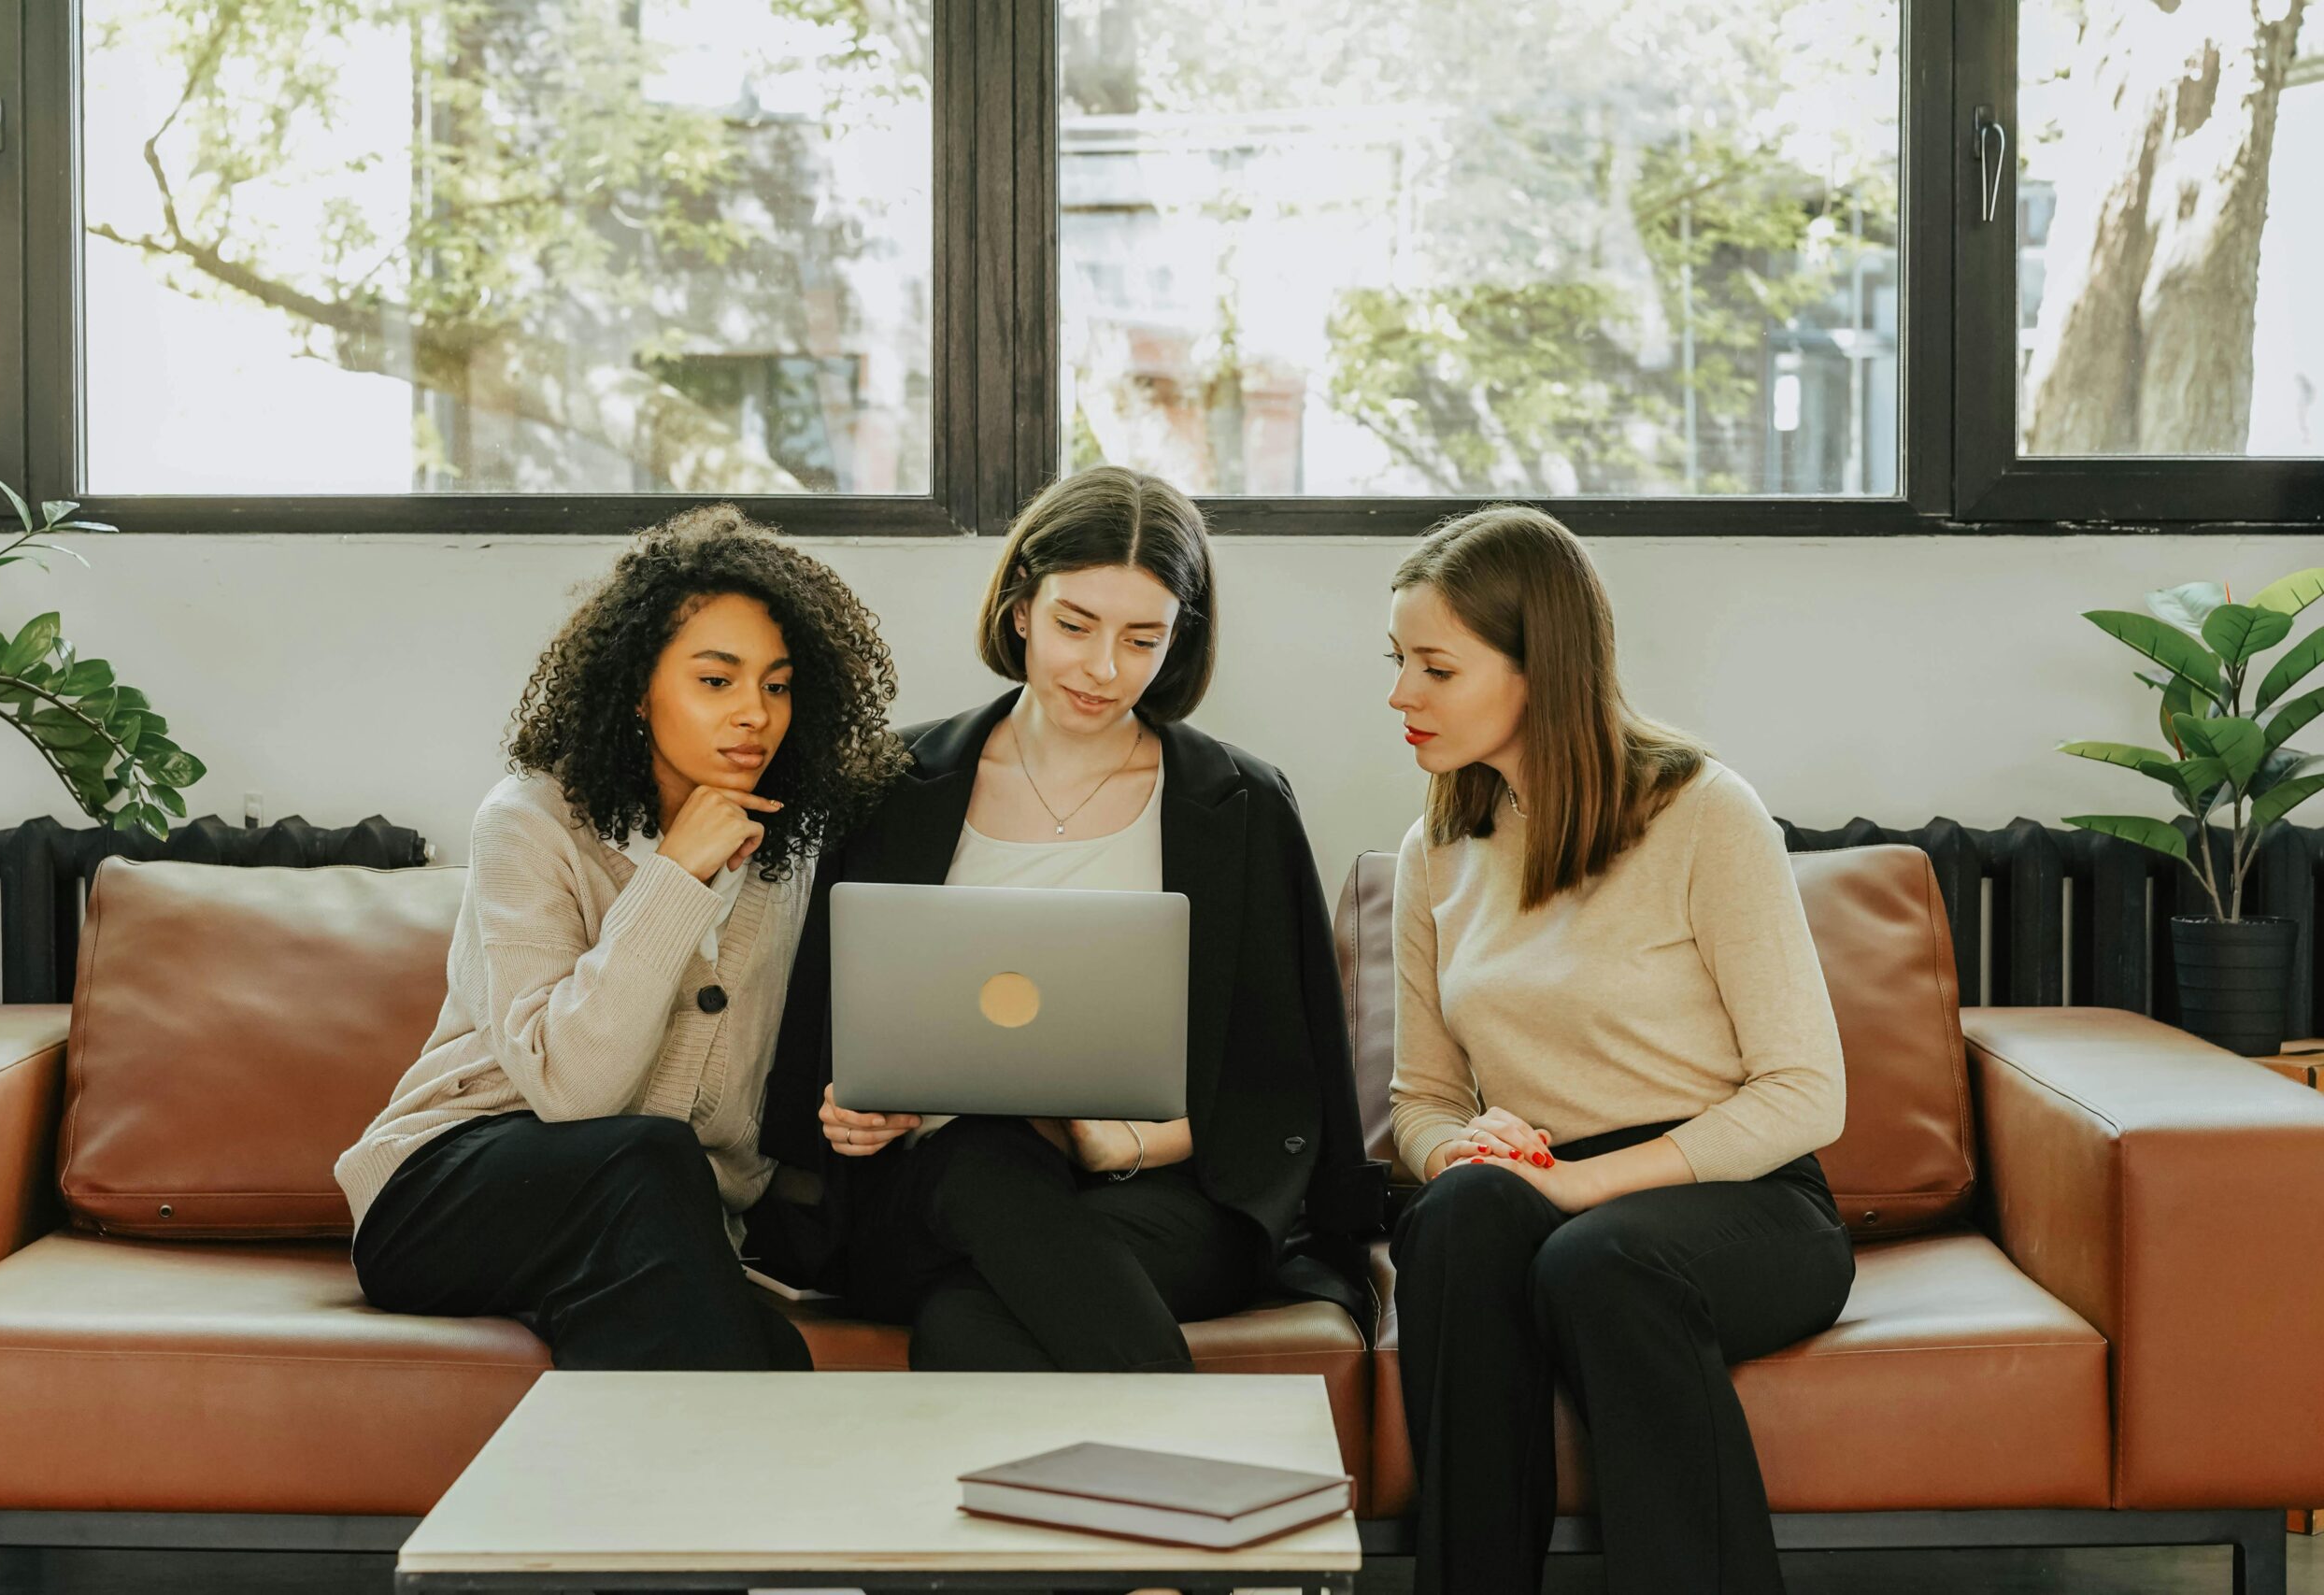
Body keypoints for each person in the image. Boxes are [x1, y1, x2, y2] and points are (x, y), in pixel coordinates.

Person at [757, 465, 1381, 1371]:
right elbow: (830, 1049)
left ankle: (1150, 1495)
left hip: (1160, 1193)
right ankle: (1202, 1484)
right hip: (924, 1192)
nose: (1101, 668)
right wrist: (853, 1115)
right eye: (1074, 625)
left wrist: (1109, 1142)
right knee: (982, 1155)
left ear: (1179, 640)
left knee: (969, 1319)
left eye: (1141, 639)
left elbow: (1279, 1094)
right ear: (1020, 610)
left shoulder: (1237, 803)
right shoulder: (894, 783)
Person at [1383, 505, 1852, 1594]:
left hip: (1740, 1196)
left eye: (1434, 667)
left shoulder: (1702, 811)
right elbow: (1420, 1096)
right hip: (1549, 1177)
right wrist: (1457, 1150)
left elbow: (1804, 1092)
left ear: (1536, 667)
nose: (1400, 695)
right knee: (1454, 1218)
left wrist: (1587, 1188)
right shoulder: (1437, 847)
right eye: (1398, 661)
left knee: (1600, 1259)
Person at [335, 506, 905, 1372]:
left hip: (664, 1221)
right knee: (648, 1157)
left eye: (778, 685)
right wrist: (674, 876)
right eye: (717, 682)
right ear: (639, 688)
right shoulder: (530, 822)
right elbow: (574, 1092)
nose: (754, 713)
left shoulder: (802, 839)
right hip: (450, 1194)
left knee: (658, 1291)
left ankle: (664, 1488)